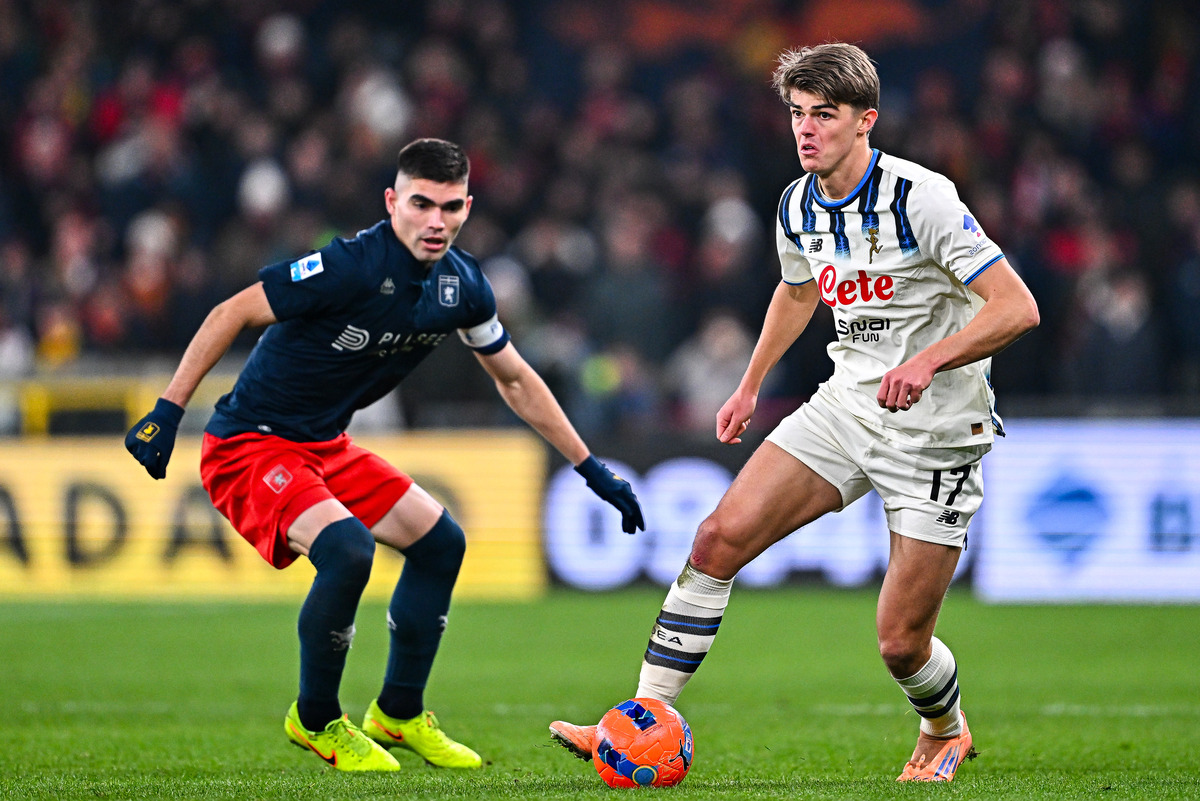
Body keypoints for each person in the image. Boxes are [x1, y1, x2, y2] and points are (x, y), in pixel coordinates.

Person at [549, 42, 1038, 783]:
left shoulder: (921, 198)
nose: (806, 130)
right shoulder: (796, 202)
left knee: (901, 644)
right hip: (845, 408)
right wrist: (749, 384)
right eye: (797, 115)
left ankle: (945, 729)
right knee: (717, 539)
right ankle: (636, 720)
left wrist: (928, 359)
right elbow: (799, 289)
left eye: (825, 116)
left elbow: (1018, 307)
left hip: (935, 432)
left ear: (866, 120)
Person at [125, 138, 644, 772]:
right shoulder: (350, 265)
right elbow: (232, 312)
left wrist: (589, 467)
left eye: (450, 207)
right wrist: (168, 409)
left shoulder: (464, 285)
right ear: (393, 201)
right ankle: (315, 719)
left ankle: (397, 714)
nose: (436, 221)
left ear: (467, 207)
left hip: (325, 445)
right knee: (347, 551)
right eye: (421, 204)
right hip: (250, 442)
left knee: (440, 542)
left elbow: (513, 379)